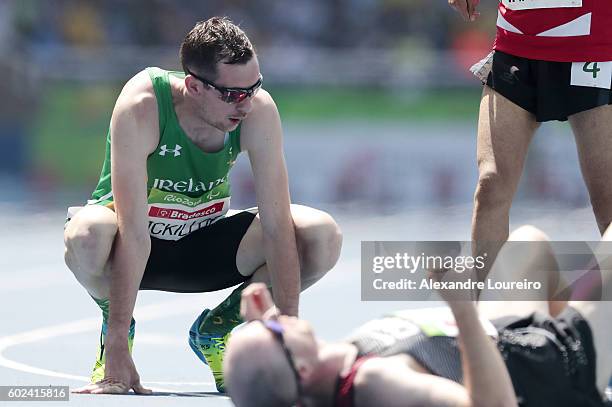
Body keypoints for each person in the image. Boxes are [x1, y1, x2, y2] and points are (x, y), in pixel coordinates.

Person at [64, 17, 343, 395]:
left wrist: (288, 337)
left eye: (253, 87)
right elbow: (133, 232)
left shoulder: (257, 110)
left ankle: (216, 329)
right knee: (86, 234)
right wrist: (115, 340)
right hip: (132, 250)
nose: (244, 104)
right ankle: (115, 327)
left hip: (203, 243)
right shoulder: (142, 105)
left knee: (320, 235)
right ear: (194, 86)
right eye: (231, 94)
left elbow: (277, 226)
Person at [225, 224, 612, 406]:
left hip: (507, 337)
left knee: (528, 246)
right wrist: (461, 308)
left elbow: (269, 375)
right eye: (273, 328)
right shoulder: (382, 384)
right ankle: (592, 374)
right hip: (551, 367)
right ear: (303, 371)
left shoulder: (321, 374)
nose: (274, 317)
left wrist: (262, 322)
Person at [449, 0, 612, 276]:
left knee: (607, 199)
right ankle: (485, 313)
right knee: (491, 184)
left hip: (593, 48)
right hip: (516, 45)